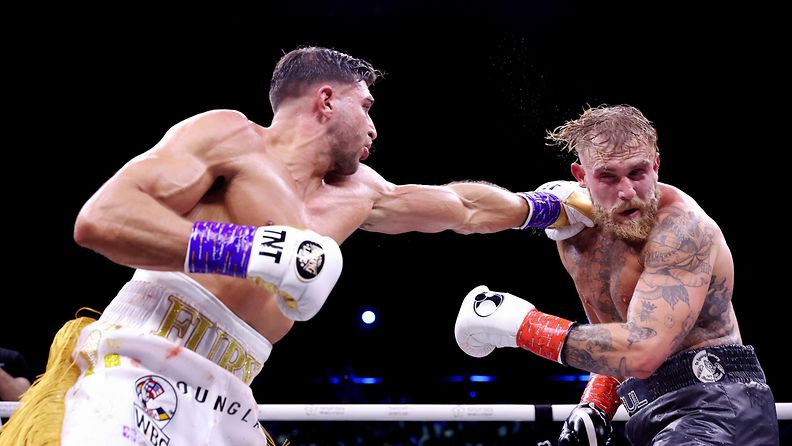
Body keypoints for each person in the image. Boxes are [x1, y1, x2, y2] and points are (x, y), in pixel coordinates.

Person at [0, 45, 567, 446]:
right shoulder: (230, 137)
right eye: (366, 106)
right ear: (326, 100)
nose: (375, 128)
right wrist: (248, 251)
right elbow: (102, 219)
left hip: (230, 391)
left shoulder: (363, 193)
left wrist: (547, 207)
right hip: (141, 353)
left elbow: (462, 208)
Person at [454, 104, 779, 445]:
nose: (626, 191)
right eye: (608, 176)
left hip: (717, 410)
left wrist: (523, 326)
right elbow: (619, 339)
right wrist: (595, 404)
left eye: (637, 172)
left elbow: (643, 350)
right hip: (652, 414)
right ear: (582, 176)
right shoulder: (580, 242)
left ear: (656, 165)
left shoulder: (680, 230)